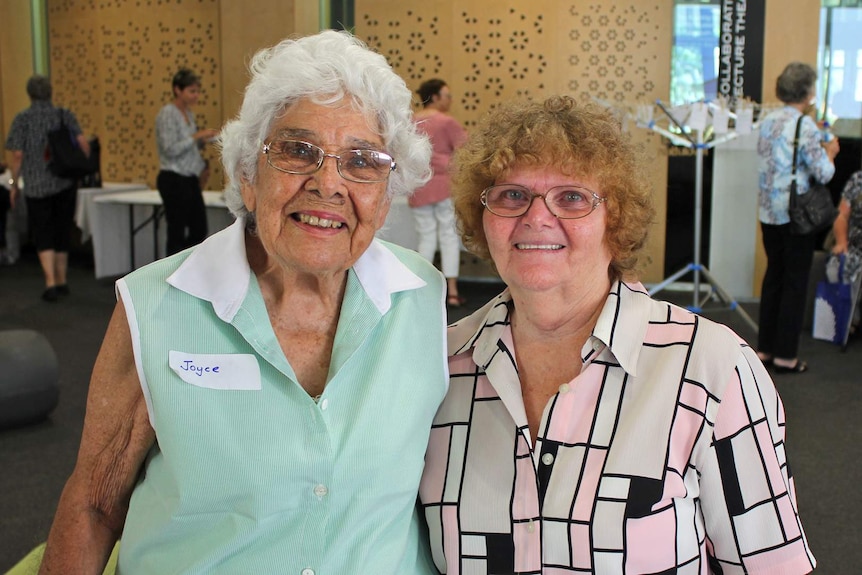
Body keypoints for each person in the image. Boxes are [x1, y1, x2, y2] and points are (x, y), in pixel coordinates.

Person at [38, 30, 446, 574]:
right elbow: (94, 503)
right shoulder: (159, 304)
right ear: (248, 177)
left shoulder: (421, 296)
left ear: (387, 192)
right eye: (298, 152)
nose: (328, 184)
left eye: (362, 160)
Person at [419, 95, 816, 574]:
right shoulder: (438, 366)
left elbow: (772, 566)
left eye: (571, 197)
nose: (537, 217)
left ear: (616, 219)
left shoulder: (712, 369)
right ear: (482, 216)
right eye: (512, 195)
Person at [756, 62, 839, 373]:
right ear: (808, 91)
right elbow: (824, 173)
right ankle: (785, 356)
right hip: (796, 216)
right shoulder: (805, 125)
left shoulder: (767, 121)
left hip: (768, 212)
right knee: (794, 283)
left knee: (774, 277)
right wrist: (829, 153)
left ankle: (764, 349)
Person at [5, 75, 90, 301]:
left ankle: (50, 282)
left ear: (29, 93)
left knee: (43, 231)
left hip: (36, 185)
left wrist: (14, 183)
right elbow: (83, 143)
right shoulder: (63, 114)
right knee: (62, 230)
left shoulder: (22, 119)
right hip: (64, 182)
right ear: (50, 92)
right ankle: (63, 280)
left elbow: (17, 154)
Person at [410, 78, 468, 307]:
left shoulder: (410, 122)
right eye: (447, 95)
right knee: (448, 236)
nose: (449, 100)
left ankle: (423, 291)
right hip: (445, 185)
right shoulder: (447, 122)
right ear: (434, 97)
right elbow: (466, 151)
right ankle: (451, 291)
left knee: (425, 237)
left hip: (419, 186)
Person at [155, 68, 219, 256]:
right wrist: (196, 136)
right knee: (176, 231)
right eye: (192, 91)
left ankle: (187, 271)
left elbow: (189, 146)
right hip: (173, 177)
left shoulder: (189, 114)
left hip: (189, 178)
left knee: (199, 229)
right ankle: (173, 274)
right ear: (177, 90)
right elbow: (170, 148)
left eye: (197, 91)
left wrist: (204, 140)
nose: (196, 95)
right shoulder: (168, 113)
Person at [831, 169, 862, 334]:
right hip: (856, 244)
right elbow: (841, 215)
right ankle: (848, 319)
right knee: (837, 264)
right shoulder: (858, 179)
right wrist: (842, 242)